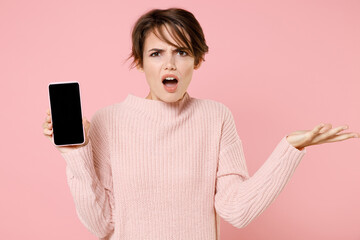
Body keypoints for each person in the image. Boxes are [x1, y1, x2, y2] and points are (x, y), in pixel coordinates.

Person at [42, 7, 360, 240]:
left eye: (181, 51)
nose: (169, 63)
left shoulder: (215, 116)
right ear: (140, 62)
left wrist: (290, 147)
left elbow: (237, 210)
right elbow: (101, 225)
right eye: (156, 53)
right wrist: (77, 153)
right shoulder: (107, 121)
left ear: (197, 59)